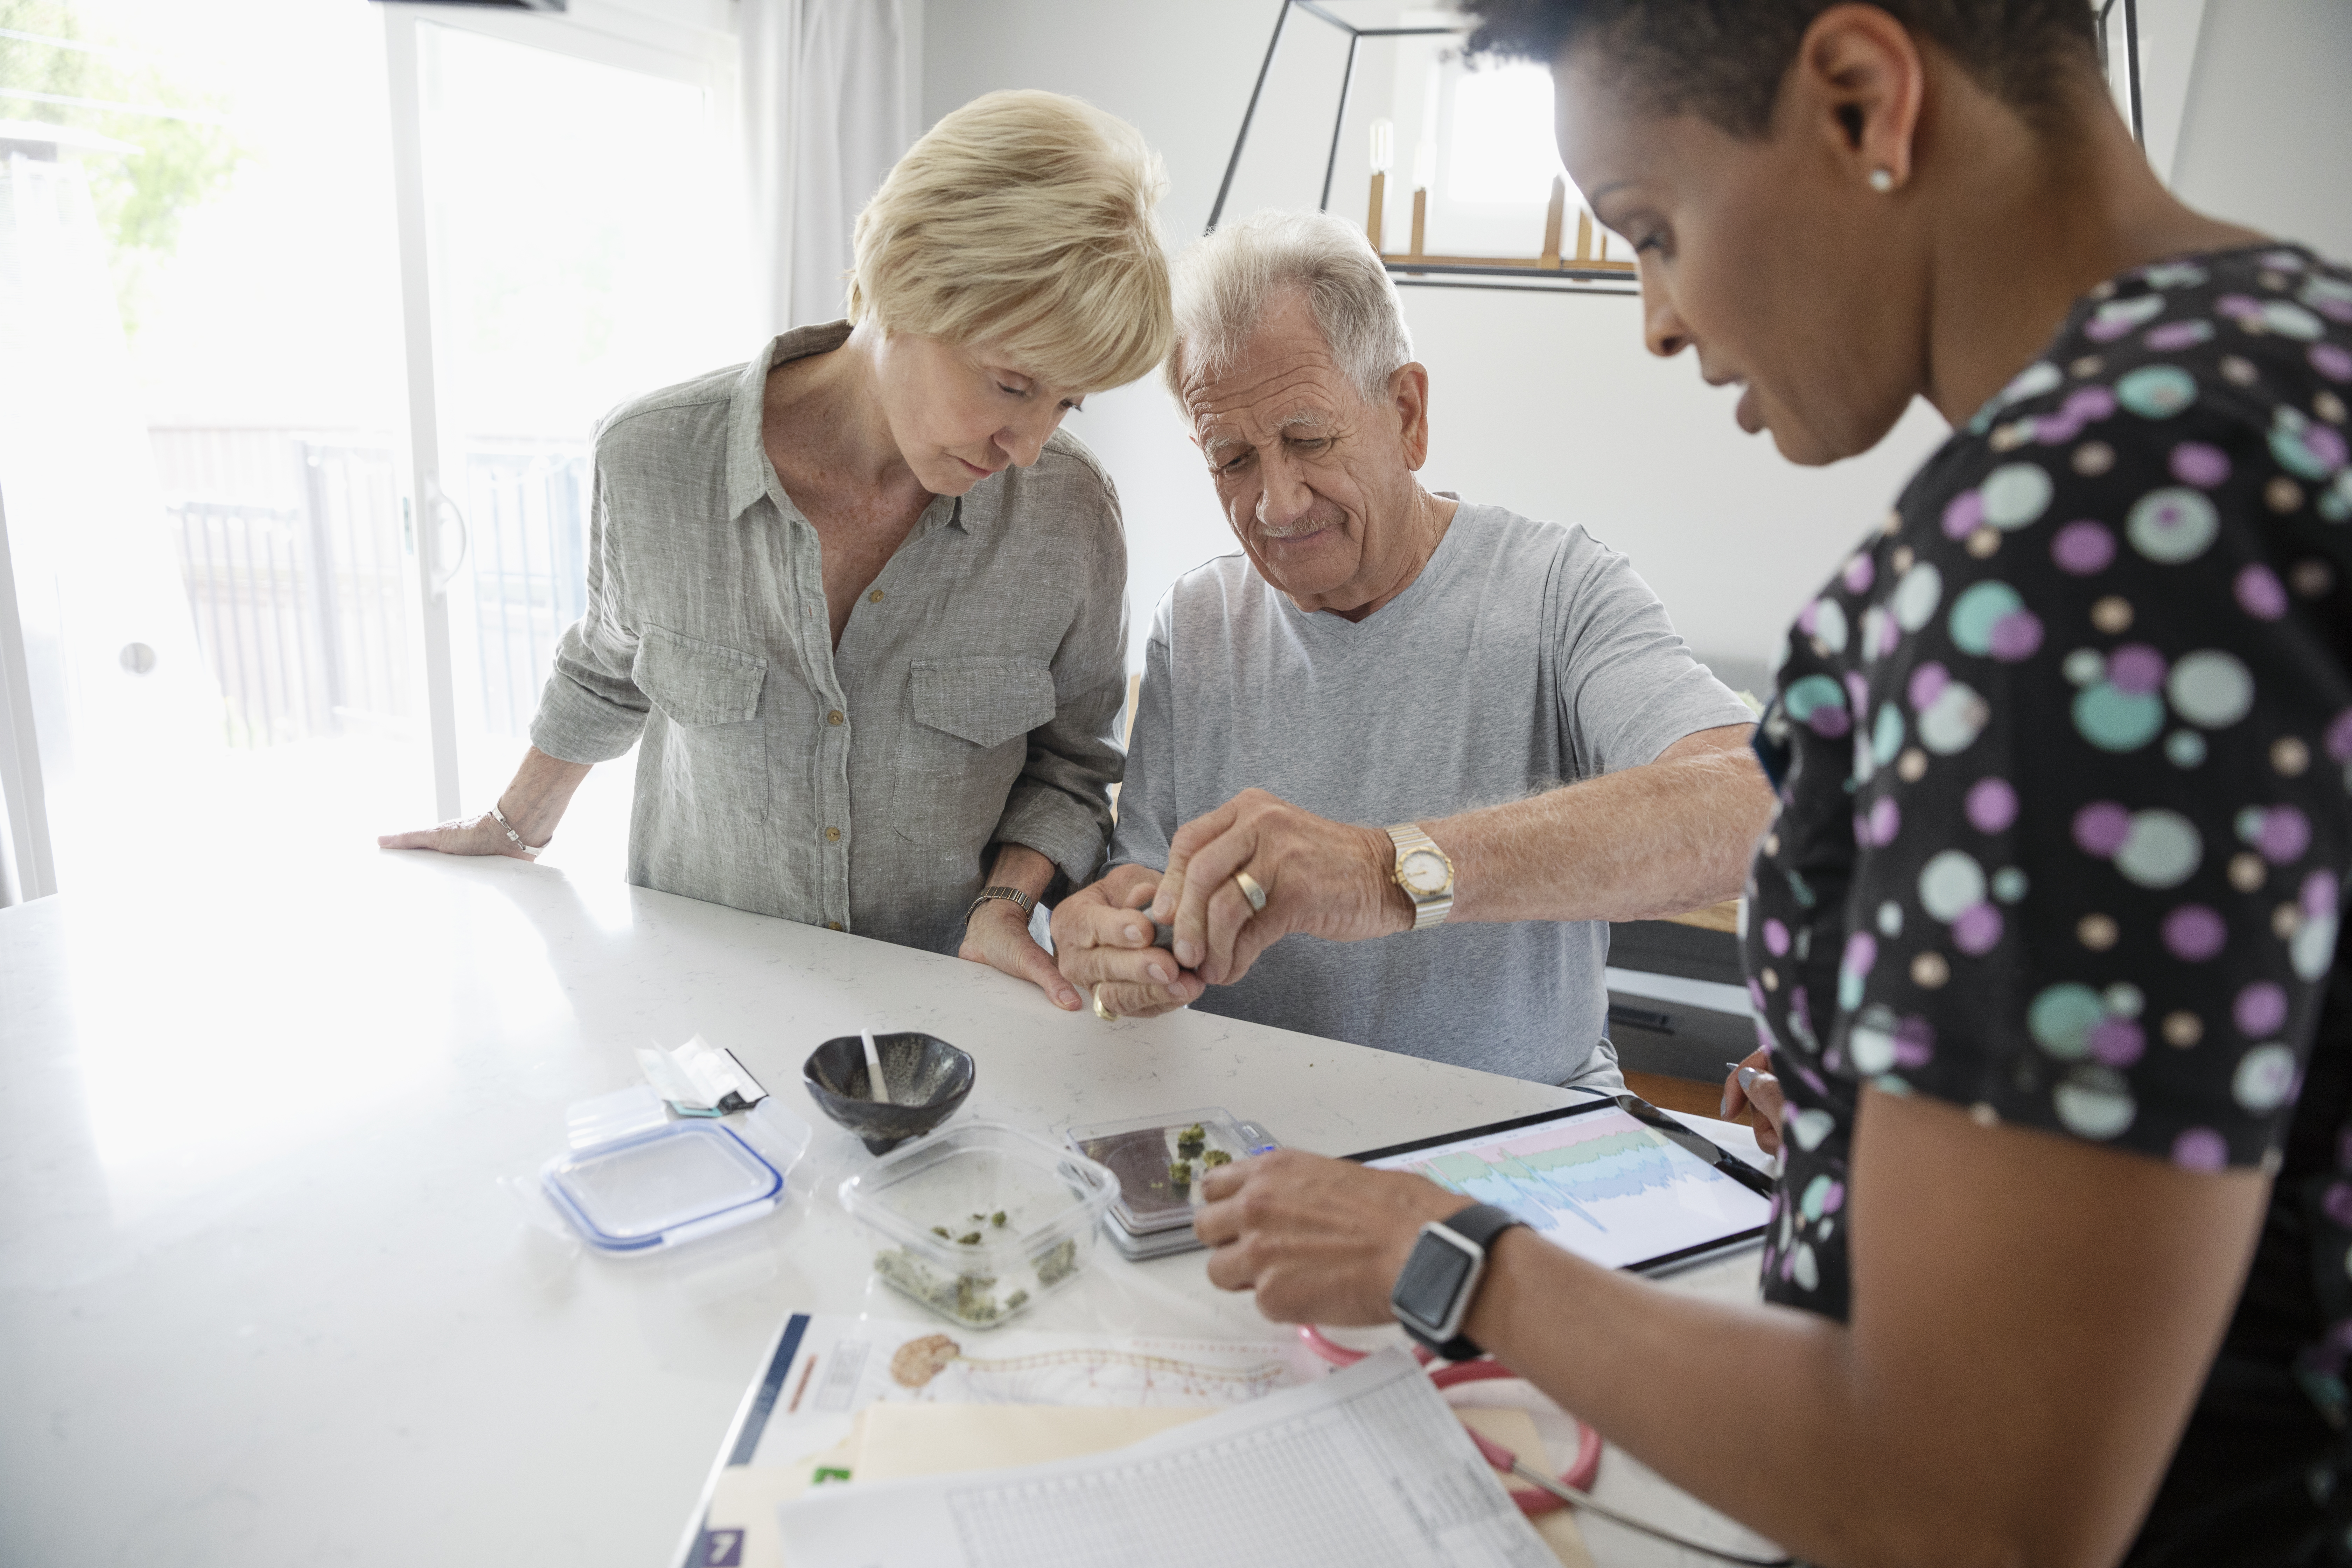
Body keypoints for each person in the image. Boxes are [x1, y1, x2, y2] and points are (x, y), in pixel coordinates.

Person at [1195, 2, 2352, 1562]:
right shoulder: (2291, 357)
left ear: (1866, 100)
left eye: (1656, 229)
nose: (1659, 321)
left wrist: (1453, 1257)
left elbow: (1975, 1492)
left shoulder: (2074, 550)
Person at [380, 91, 1171, 1012]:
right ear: (906, 279)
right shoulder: (652, 459)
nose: (1027, 445)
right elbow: (608, 670)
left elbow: (1074, 763)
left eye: (1068, 403)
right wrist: (510, 830)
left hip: (944, 1025)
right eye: (1011, 384)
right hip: (694, 1011)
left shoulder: (1069, 513)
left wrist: (1005, 904)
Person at [1049, 209, 1771, 1086]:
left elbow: (1752, 804)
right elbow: (1144, 879)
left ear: (1407, 414)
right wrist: (1114, 943)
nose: (1275, 502)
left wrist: (1386, 872)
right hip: (1252, 1128)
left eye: (1308, 441)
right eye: (1231, 459)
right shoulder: (1195, 622)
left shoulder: (1560, 589)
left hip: (1521, 1131)